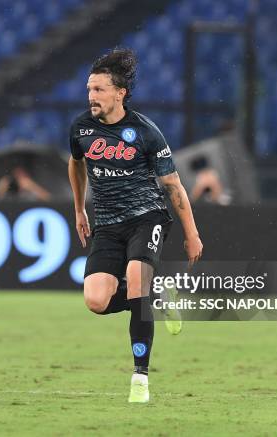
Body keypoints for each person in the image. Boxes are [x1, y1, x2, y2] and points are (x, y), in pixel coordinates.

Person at [67, 48, 203, 403]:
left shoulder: (145, 132)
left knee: (138, 283)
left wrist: (191, 233)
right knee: (96, 301)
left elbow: (172, 185)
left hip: (148, 217)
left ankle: (140, 378)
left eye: (98, 90)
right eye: (89, 90)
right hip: (107, 224)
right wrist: (80, 209)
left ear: (119, 93)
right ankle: (159, 297)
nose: (91, 97)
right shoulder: (81, 127)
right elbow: (76, 164)